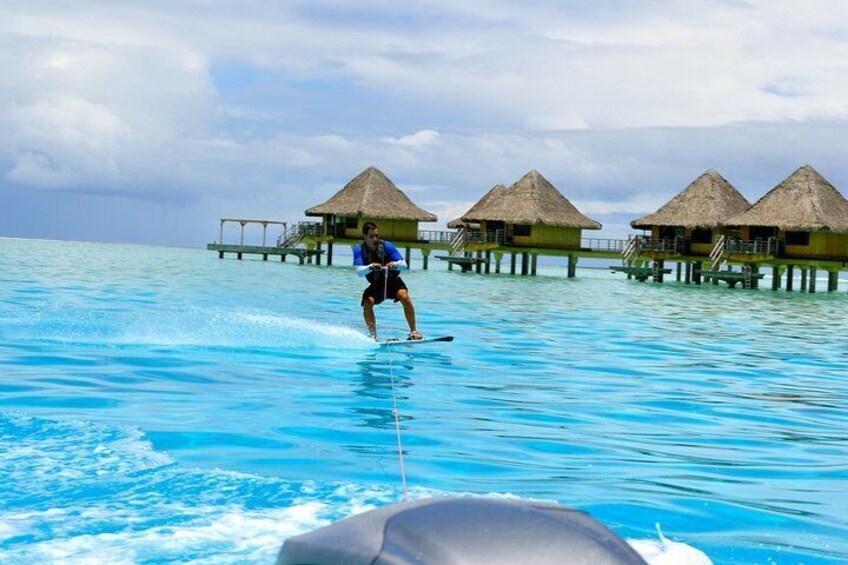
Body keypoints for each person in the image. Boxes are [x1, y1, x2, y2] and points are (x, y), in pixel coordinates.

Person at [353, 222, 422, 341]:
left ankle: (414, 332)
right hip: (377, 285)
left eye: (376, 235)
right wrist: (370, 266)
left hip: (393, 282)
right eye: (371, 236)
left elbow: (404, 265)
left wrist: (394, 264)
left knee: (404, 296)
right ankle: (373, 336)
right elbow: (359, 271)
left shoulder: (387, 246)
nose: (375, 239)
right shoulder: (358, 249)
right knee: (367, 302)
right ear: (364, 236)